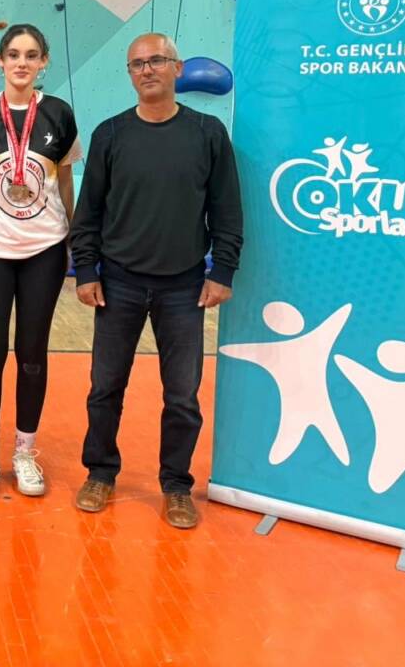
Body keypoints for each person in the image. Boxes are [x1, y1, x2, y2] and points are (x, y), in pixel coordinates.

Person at [70, 32, 243, 529]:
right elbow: (89, 211)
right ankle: (100, 473)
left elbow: (226, 209)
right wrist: (86, 270)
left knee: (183, 396)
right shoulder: (110, 134)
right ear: (130, 74)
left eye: (156, 61)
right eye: (137, 64)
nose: (146, 70)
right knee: (105, 388)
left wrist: (222, 271)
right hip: (118, 283)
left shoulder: (208, 132)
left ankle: (176, 485)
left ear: (177, 68)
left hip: (184, 287)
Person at [0, 24, 81, 502]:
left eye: (32, 55)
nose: (22, 63)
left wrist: (74, 237)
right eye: (13, 54)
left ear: (44, 61)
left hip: (44, 251)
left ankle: (25, 453)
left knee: (32, 355)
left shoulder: (59, 113)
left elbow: (64, 180)